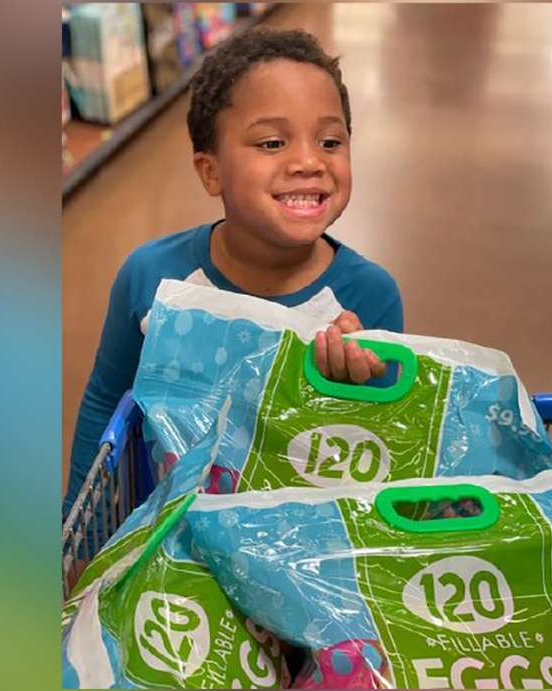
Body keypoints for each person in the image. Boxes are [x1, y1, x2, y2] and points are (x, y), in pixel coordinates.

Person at [65, 28, 404, 517]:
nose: (309, 162)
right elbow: (104, 402)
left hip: (300, 541)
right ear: (211, 172)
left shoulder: (367, 296)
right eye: (271, 143)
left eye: (330, 141)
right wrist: (76, 522)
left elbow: (384, 444)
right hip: (171, 534)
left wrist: (352, 390)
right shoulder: (153, 278)